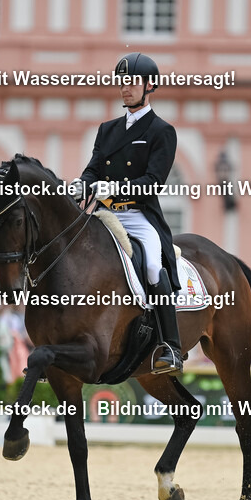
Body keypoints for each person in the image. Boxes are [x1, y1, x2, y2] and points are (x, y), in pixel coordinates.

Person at [75, 52, 183, 374]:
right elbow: (93, 169)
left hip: (138, 214)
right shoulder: (107, 129)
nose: (125, 88)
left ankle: (171, 348)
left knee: (152, 264)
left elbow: (153, 182)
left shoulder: (161, 131)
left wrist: (117, 188)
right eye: (121, 82)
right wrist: (82, 186)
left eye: (132, 82)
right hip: (104, 214)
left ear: (150, 86)